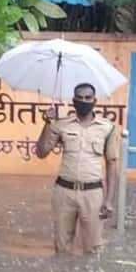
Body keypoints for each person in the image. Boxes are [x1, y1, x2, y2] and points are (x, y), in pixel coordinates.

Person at [35, 83, 119, 255]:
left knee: (93, 248)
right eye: (79, 98)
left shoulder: (107, 128)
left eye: (88, 98)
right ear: (73, 101)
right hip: (64, 192)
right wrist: (47, 123)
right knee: (62, 247)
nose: (84, 101)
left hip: (93, 193)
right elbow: (41, 152)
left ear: (94, 101)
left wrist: (109, 200)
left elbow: (111, 164)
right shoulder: (61, 125)